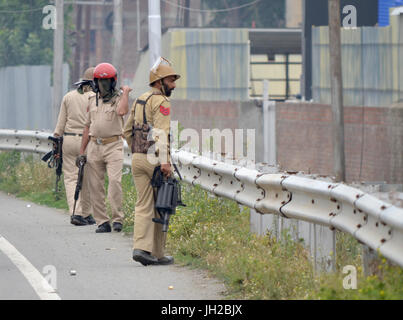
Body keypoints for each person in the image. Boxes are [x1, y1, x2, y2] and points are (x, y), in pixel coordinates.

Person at [123, 57, 180, 265]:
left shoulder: (139, 100)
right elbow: (161, 133)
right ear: (159, 82)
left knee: (143, 204)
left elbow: (126, 130)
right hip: (154, 160)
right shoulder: (161, 102)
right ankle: (157, 252)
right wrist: (165, 162)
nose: (173, 85)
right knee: (162, 205)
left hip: (137, 158)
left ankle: (141, 248)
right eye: (170, 80)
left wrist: (137, 151)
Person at [78, 62, 131, 233]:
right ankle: (102, 221)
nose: (103, 85)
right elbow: (87, 126)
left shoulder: (118, 99)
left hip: (113, 145)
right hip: (95, 145)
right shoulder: (92, 101)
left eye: (107, 81)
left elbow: (122, 112)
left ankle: (117, 219)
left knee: (115, 182)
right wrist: (82, 151)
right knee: (95, 185)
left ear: (113, 82)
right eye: (101, 82)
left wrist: (126, 93)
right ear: (95, 82)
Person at [53, 67, 95, 226]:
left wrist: (57, 139)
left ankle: (76, 212)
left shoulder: (68, 97)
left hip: (69, 140)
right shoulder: (96, 97)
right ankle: (86, 213)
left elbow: (60, 125)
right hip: (88, 141)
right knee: (88, 178)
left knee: (71, 177)